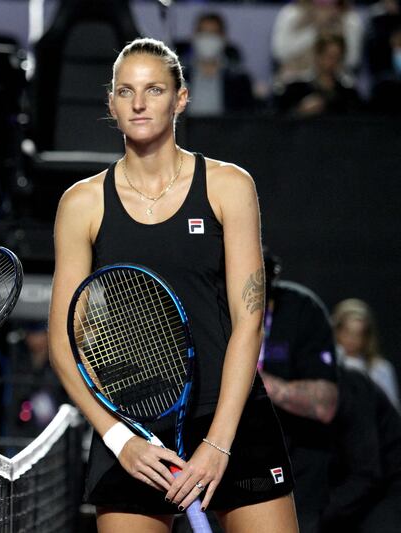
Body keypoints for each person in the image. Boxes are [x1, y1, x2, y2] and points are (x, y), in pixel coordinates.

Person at [48, 37, 298, 532]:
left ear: (180, 98)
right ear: (111, 102)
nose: (139, 103)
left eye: (154, 89)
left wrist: (219, 442)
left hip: (231, 415)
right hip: (135, 426)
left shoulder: (229, 186)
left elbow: (249, 323)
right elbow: (63, 342)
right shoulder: (82, 204)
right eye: (126, 91)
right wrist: (121, 439)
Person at [257, 250, 339, 533]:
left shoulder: (301, 308)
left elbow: (324, 405)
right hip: (228, 467)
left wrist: (249, 377)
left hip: (298, 472)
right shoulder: (209, 307)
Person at [320, 364, 401, 532]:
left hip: (385, 488)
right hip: (345, 489)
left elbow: (367, 475)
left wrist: (317, 515)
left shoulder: (352, 390)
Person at [271, 0, 364, 85]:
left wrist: (337, 26)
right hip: (296, 76)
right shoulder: (289, 13)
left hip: (335, 79)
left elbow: (351, 60)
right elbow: (281, 54)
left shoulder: (350, 18)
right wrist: (314, 27)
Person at [180, 12, 256, 116]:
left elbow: (248, 119)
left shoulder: (239, 80)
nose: (208, 38)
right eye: (203, 33)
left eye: (213, 33)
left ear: (224, 38)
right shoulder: (179, 77)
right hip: (186, 131)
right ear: (194, 36)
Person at [331, 298, 400, 410]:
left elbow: (391, 409)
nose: (351, 339)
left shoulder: (380, 369)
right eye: (347, 332)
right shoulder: (327, 364)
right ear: (337, 331)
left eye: (358, 334)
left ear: (367, 337)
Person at [274, 34, 363, 116]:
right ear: (317, 56)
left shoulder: (348, 93)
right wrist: (300, 111)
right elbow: (280, 119)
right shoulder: (296, 88)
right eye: (329, 56)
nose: (333, 62)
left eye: (338, 58)